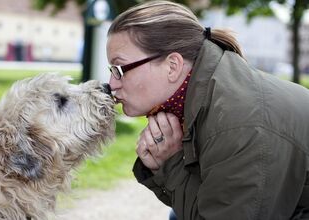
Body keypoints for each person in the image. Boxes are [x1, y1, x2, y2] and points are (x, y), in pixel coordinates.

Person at [106, 1, 309, 219]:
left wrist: (171, 165)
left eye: (119, 69)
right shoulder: (201, 96)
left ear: (172, 66)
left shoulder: (237, 125)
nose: (111, 83)